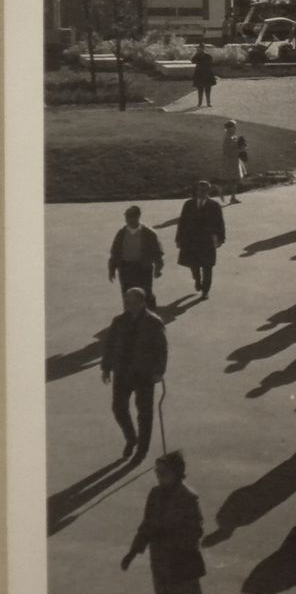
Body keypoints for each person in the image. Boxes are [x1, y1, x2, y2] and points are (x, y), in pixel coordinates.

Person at [120, 450, 205, 594]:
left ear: (177, 473)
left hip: (181, 561)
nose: (158, 475)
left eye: (163, 472)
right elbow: (146, 525)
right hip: (160, 560)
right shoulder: (155, 493)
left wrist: (169, 536)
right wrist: (132, 552)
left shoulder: (188, 498)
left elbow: (196, 530)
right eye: (157, 471)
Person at [101, 287, 168, 462]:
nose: (127, 304)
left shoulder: (154, 322)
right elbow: (110, 345)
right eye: (126, 301)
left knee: (144, 413)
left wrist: (159, 371)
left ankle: (142, 450)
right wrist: (106, 368)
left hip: (144, 373)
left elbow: (162, 349)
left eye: (130, 301)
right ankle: (131, 438)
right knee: (119, 408)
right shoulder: (119, 321)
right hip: (122, 372)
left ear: (141, 302)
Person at [174, 181, 224, 300]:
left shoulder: (214, 205)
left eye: (205, 190)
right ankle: (197, 279)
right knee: (193, 264)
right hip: (191, 240)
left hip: (207, 240)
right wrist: (178, 238)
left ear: (209, 191)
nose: (202, 193)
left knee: (208, 266)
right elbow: (182, 222)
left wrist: (221, 238)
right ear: (196, 190)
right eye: (200, 190)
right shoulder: (188, 204)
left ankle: (205, 291)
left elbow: (220, 223)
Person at [109, 205, 164, 309]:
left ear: (138, 217)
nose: (128, 220)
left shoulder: (149, 233)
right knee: (127, 293)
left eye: (131, 216)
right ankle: (129, 317)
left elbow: (158, 252)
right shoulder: (121, 233)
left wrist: (158, 268)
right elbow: (115, 252)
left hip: (143, 268)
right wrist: (112, 269)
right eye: (127, 217)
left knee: (145, 293)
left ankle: (149, 316)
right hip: (126, 268)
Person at [220, 120, 245, 205]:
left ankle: (231, 196)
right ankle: (231, 197)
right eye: (233, 127)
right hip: (230, 160)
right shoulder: (228, 137)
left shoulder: (232, 136)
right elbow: (227, 151)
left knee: (233, 179)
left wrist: (241, 146)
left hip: (233, 160)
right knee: (234, 179)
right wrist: (240, 150)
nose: (235, 128)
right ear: (229, 128)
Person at [190, 42, 216, 108]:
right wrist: (197, 54)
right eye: (200, 48)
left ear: (203, 48)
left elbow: (211, 62)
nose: (201, 49)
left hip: (206, 73)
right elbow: (192, 61)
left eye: (202, 48)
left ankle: (208, 103)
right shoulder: (198, 55)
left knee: (207, 89)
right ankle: (200, 103)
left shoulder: (207, 56)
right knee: (200, 89)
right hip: (201, 74)